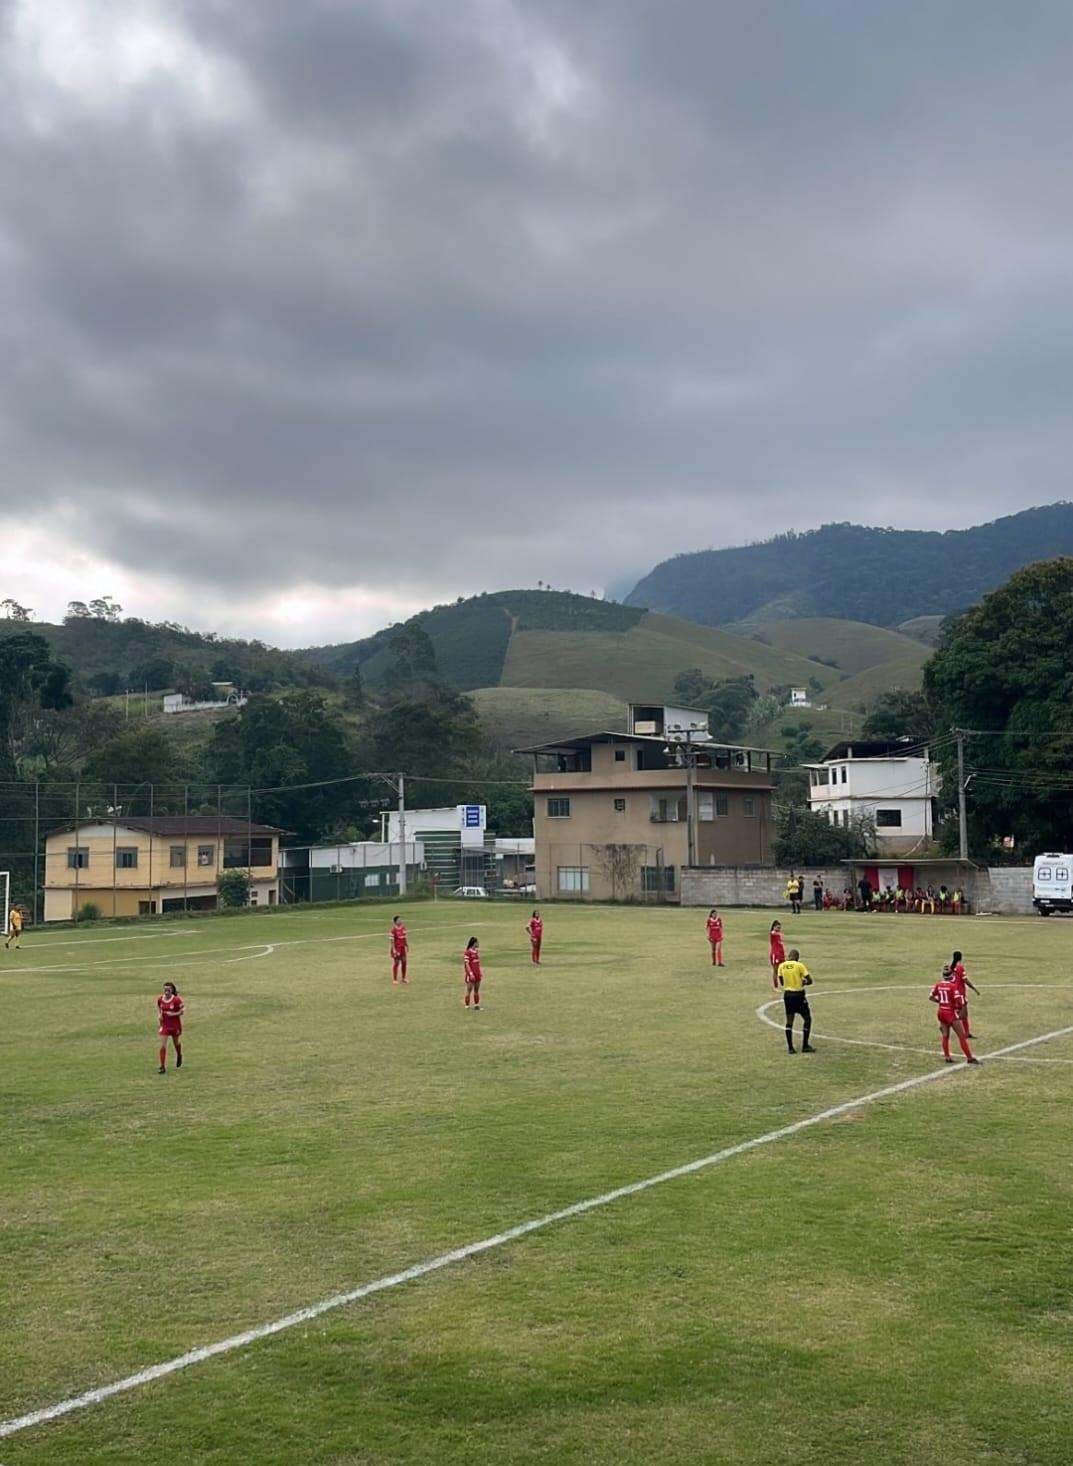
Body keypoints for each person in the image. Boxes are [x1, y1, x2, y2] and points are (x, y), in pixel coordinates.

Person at [930, 966, 978, 1064]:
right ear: (952, 976)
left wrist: (940, 1002)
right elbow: (959, 1002)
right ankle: (969, 1058)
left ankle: (947, 1056)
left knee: (945, 1035)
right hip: (950, 1013)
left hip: (941, 1011)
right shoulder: (953, 986)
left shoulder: (938, 985)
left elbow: (931, 997)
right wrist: (958, 1008)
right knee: (961, 1036)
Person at [777, 948, 816, 1054]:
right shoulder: (799, 966)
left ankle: (790, 1048)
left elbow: (782, 982)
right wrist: (803, 982)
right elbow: (810, 980)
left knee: (789, 1021)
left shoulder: (781, 966)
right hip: (798, 995)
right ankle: (805, 1045)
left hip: (788, 996)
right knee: (807, 1019)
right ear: (797, 958)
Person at [950, 950, 980, 1039]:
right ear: (961, 957)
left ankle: (966, 1033)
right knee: (963, 1015)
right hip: (960, 994)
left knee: (961, 1014)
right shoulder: (960, 967)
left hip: (953, 993)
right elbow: (965, 980)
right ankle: (949, 1024)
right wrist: (974, 989)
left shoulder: (951, 967)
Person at [156, 981, 184, 1074]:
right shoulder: (160, 999)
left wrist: (173, 1014)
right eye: (165, 990)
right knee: (162, 1045)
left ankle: (179, 1055)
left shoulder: (176, 1000)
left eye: (168, 990)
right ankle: (162, 1066)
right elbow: (159, 1007)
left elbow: (182, 1011)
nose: (166, 992)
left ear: (172, 990)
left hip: (175, 1025)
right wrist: (160, 1015)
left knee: (176, 1043)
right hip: (165, 1025)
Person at [463, 936, 482, 1010]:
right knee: (469, 990)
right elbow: (467, 964)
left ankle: (476, 1005)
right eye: (477, 942)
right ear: (474, 943)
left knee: (476, 990)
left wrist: (479, 972)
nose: (478, 944)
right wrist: (470, 974)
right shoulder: (468, 952)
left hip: (477, 974)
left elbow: (477, 963)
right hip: (471, 975)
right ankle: (467, 1006)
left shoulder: (476, 952)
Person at [389, 916, 409, 984]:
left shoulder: (403, 928)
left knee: (404, 962)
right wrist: (393, 949)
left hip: (402, 948)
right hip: (397, 948)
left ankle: (404, 978)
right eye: (398, 920)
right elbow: (392, 941)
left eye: (400, 920)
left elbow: (405, 938)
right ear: (395, 922)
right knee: (396, 963)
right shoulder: (393, 930)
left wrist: (407, 945)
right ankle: (395, 979)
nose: (400, 921)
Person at [769, 920, 785, 991]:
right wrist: (776, 932)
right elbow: (772, 933)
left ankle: (783, 984)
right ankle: (775, 987)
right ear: (774, 927)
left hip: (781, 954)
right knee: (775, 970)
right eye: (778, 927)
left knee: (783, 970)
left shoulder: (779, 935)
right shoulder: (773, 934)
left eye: (780, 928)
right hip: (775, 954)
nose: (779, 929)